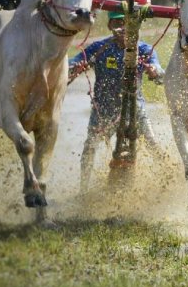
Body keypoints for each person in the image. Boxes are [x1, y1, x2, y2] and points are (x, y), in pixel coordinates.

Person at [69, 11, 164, 188]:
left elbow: (160, 75)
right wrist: (75, 66)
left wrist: (154, 71)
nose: (122, 28)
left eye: (127, 23)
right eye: (117, 23)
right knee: (89, 147)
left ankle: (165, 184)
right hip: (103, 109)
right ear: (110, 26)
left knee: (153, 143)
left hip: (134, 109)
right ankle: (83, 190)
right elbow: (71, 62)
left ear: (134, 26)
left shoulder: (143, 49)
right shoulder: (99, 48)